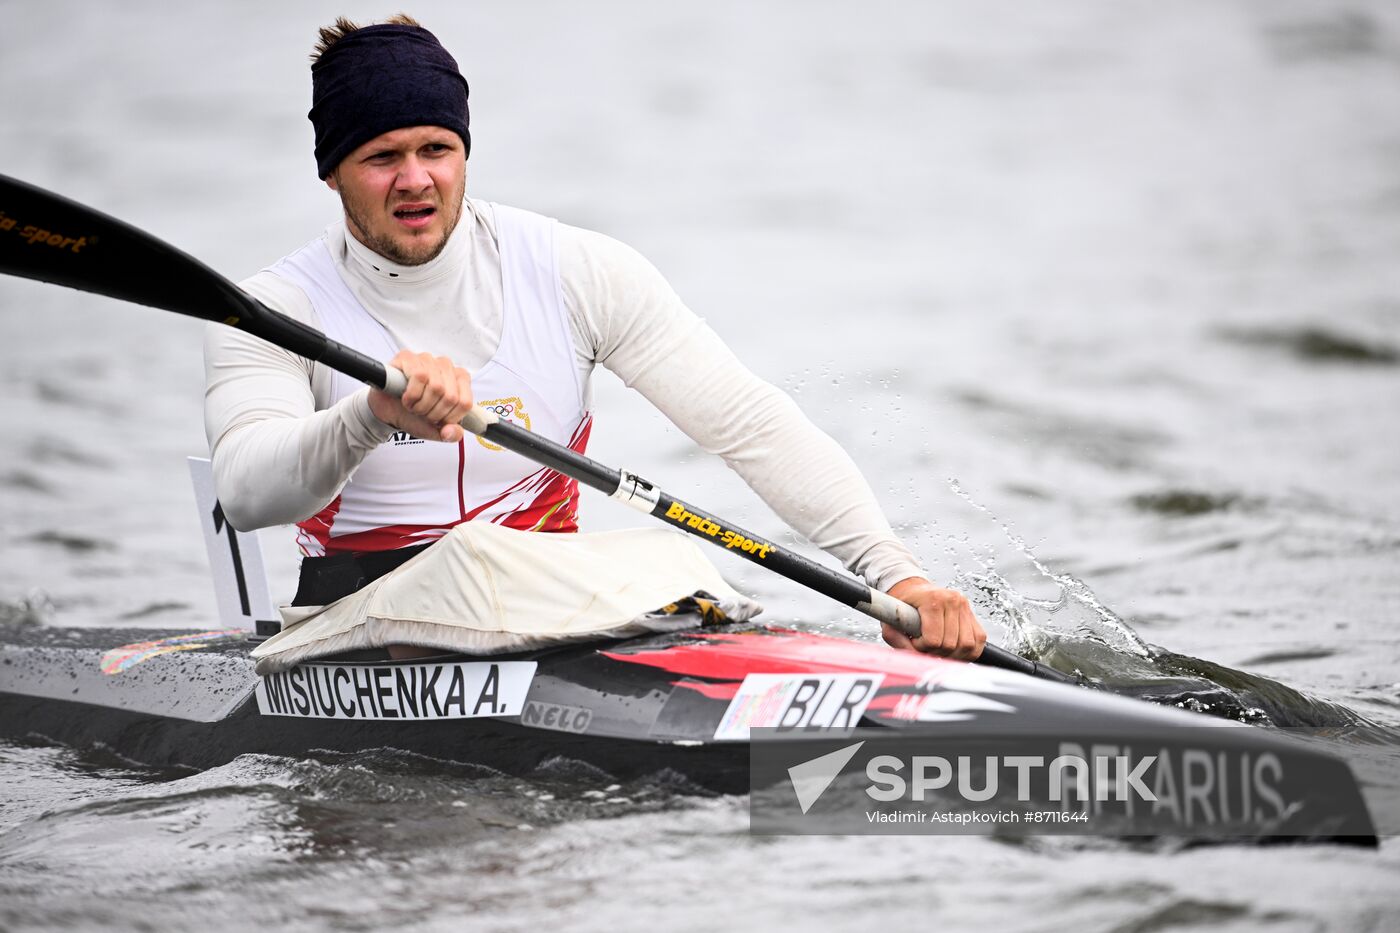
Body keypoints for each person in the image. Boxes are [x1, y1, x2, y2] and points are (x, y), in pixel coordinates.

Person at [204, 14, 985, 660]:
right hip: (352, 627)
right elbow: (242, 492)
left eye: (435, 149)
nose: (416, 179)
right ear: (332, 172)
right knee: (479, 558)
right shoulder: (276, 308)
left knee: (676, 560)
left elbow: (749, 423)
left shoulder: (575, 269)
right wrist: (367, 417)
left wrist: (898, 578)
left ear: (465, 152)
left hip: (554, 611)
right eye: (382, 158)